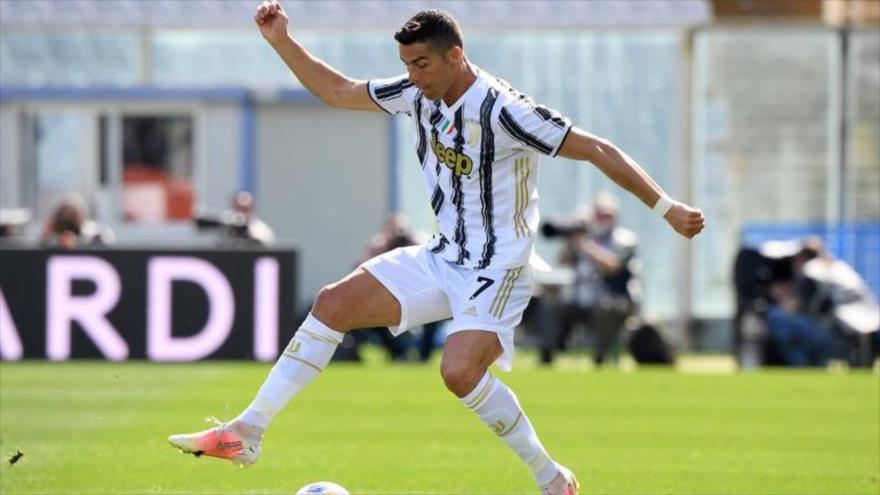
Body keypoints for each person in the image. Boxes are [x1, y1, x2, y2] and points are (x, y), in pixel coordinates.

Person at [168, 5, 705, 494]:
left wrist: (666, 207)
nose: (413, 76)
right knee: (332, 303)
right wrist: (281, 40)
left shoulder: (503, 110)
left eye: (422, 63)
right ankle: (247, 431)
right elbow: (336, 91)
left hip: (500, 268)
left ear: (456, 55)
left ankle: (550, 478)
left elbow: (597, 148)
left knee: (457, 373)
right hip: (442, 255)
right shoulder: (414, 93)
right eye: (407, 63)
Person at [540, 192, 640, 366]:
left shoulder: (624, 239)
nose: (602, 219)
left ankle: (600, 358)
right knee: (552, 308)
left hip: (614, 300)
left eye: (606, 214)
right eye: (598, 214)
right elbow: (563, 262)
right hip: (581, 300)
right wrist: (570, 242)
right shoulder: (585, 237)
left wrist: (585, 246)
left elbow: (613, 266)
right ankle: (548, 355)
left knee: (607, 309)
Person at [40, 197, 114, 249]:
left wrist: (78, 243)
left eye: (73, 215)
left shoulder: (92, 231)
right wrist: (46, 237)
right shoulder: (54, 233)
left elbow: (109, 241)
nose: (70, 218)